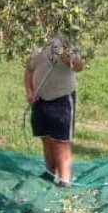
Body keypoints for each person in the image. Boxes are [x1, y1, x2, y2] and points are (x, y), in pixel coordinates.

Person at [25, 34, 85, 187]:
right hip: (40, 99)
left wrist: (68, 59)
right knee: (45, 138)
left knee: (60, 141)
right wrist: (29, 91)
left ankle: (65, 180)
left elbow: (79, 66)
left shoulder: (67, 41)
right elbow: (29, 71)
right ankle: (51, 172)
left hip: (62, 98)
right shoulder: (37, 40)